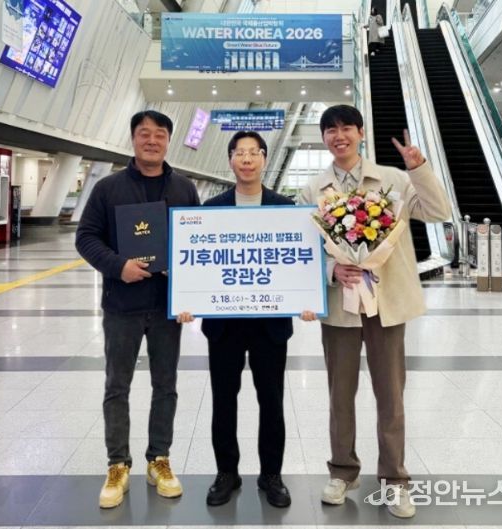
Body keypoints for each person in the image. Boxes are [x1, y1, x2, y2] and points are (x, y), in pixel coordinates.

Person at [299, 105, 451, 518]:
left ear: (361, 132)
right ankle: (342, 471)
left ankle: (395, 480)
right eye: (331, 130)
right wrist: (331, 270)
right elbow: (304, 248)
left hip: (386, 305)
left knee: (391, 395)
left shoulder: (393, 179)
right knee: (340, 395)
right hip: (340, 308)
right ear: (324, 138)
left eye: (346, 127)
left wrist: (419, 168)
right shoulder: (313, 190)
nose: (339, 135)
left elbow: (438, 212)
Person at [75, 110, 200, 509]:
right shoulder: (108, 188)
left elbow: (197, 243)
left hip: (166, 308)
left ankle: (158, 459)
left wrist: (189, 290)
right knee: (117, 386)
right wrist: (118, 267)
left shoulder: (184, 188)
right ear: (132, 139)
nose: (151, 140)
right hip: (122, 306)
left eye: (159, 134)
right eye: (144, 133)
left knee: (166, 386)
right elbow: (85, 237)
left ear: (168, 141)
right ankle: (118, 464)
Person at [181, 130, 294, 508]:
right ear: (230, 160)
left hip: (270, 325)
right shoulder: (211, 209)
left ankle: (271, 474)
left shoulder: (285, 208)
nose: (247, 159)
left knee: (272, 401)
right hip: (224, 324)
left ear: (264, 159)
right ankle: (226, 472)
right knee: (223, 401)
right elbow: (198, 260)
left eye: (253, 152)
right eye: (239, 153)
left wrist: (307, 298)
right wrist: (187, 300)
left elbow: (296, 262)